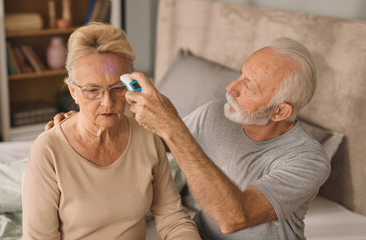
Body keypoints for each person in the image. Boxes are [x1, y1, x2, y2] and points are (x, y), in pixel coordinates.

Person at [48, 37, 330, 240]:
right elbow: (149, 147)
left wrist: (172, 125)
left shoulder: (307, 160)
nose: (231, 88)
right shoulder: (216, 115)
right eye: (240, 74)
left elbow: (234, 218)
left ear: (280, 111)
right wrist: (80, 130)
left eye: (249, 87)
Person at [22, 22, 199, 240]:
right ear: (73, 92)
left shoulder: (147, 137)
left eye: (117, 88)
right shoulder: (47, 151)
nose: (107, 103)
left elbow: (173, 218)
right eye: (92, 90)